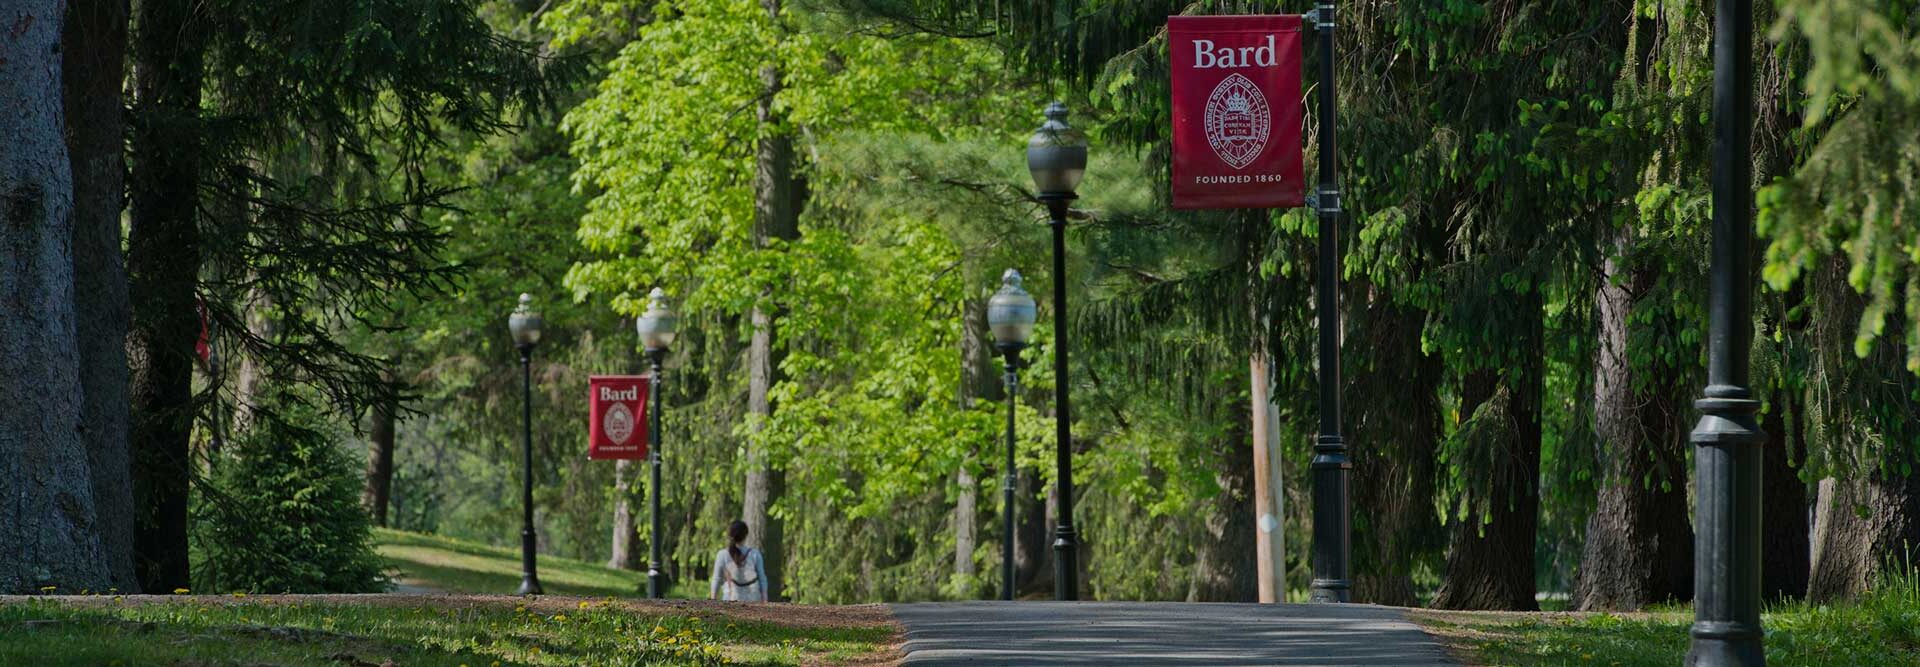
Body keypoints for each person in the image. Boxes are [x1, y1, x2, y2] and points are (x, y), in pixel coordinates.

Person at [709, 520, 767, 602]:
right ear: (746, 535)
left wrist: (713, 599)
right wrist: (765, 599)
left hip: (729, 599)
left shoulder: (722, 554)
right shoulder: (755, 554)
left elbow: (716, 579)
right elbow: (762, 579)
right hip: (753, 599)